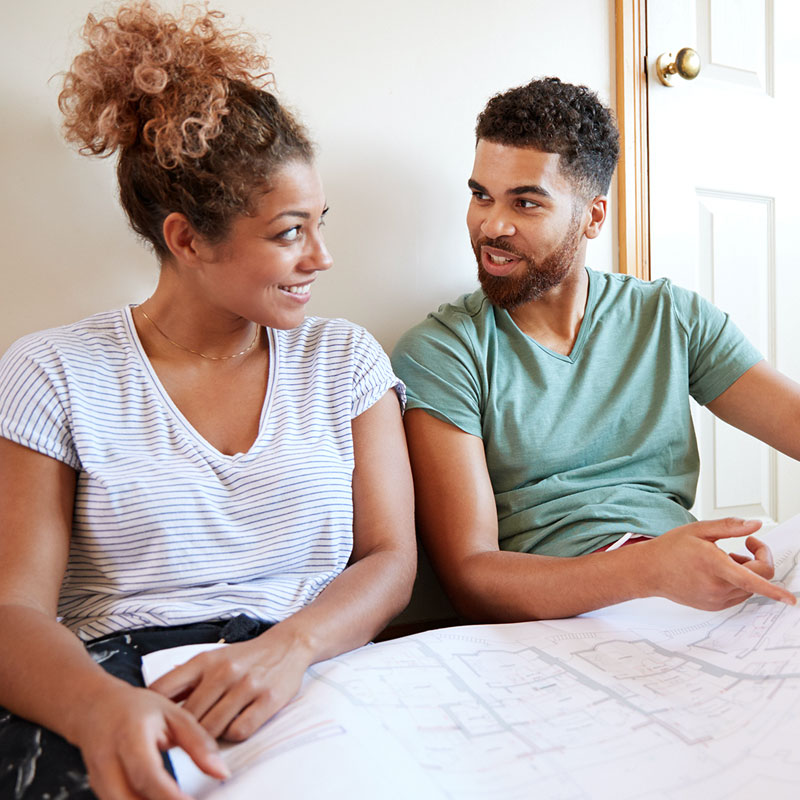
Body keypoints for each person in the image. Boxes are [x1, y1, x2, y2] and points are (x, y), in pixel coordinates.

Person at [0, 3, 415, 799]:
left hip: (313, 671)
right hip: (120, 685)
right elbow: (14, 612)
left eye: (320, 222)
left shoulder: (344, 359)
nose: (322, 257)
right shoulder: (53, 371)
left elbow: (390, 561)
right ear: (187, 239)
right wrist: (99, 710)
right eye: (289, 231)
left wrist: (291, 649)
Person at [391, 76, 800, 624]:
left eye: (526, 202)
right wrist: (648, 570)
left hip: (686, 591)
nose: (492, 225)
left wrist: (700, 566)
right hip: (566, 616)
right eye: (481, 195)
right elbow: (472, 579)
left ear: (593, 216)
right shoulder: (442, 352)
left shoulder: (670, 316)